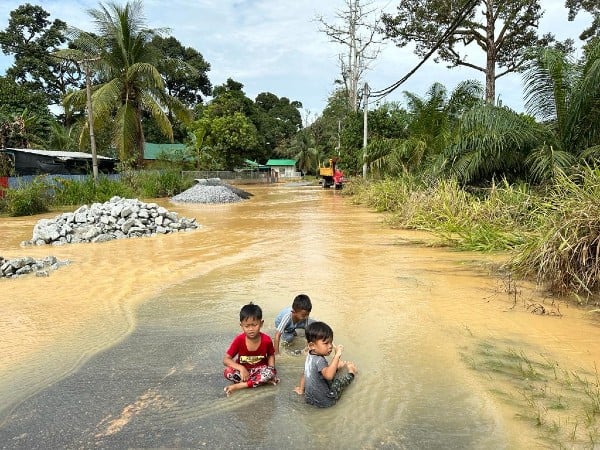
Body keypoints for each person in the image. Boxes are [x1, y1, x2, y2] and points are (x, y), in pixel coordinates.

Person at [294, 321, 357, 408]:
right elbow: (329, 376)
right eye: (326, 343)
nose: (330, 346)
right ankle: (352, 372)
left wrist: (301, 390)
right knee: (339, 382)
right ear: (312, 345)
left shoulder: (310, 354)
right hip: (326, 402)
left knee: (325, 371)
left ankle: (336, 366)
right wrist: (337, 355)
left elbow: (305, 373)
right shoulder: (320, 360)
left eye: (331, 342)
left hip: (310, 400)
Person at [223, 303, 278, 396]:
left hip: (260, 370)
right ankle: (258, 382)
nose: (251, 329)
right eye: (247, 326)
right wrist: (241, 368)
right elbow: (226, 359)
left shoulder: (266, 340)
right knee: (228, 372)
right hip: (244, 372)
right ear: (241, 326)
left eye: (254, 325)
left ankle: (239, 386)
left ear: (261, 323)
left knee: (270, 373)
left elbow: (271, 355)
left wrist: (271, 369)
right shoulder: (239, 340)